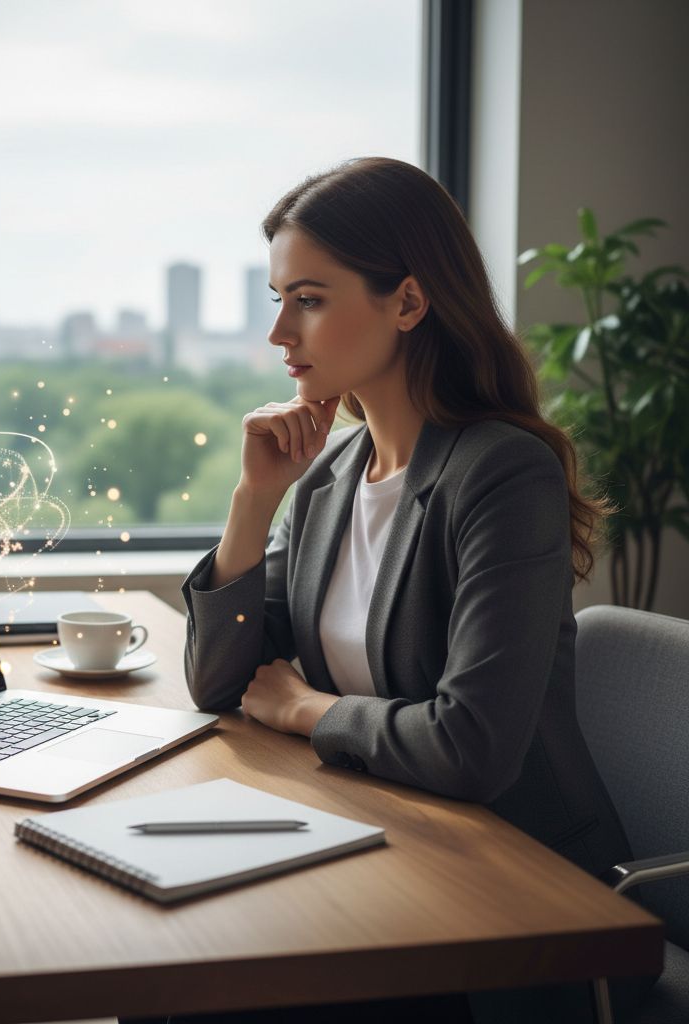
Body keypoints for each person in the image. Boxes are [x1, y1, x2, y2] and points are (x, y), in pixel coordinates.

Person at [123, 158, 655, 1024]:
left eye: (311, 299)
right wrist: (254, 502)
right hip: (388, 840)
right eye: (277, 300)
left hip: (523, 904)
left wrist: (303, 710)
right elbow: (222, 685)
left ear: (407, 303)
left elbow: (471, 746)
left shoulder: (502, 473)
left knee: (202, 993)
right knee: (170, 963)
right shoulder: (332, 473)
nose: (279, 336)